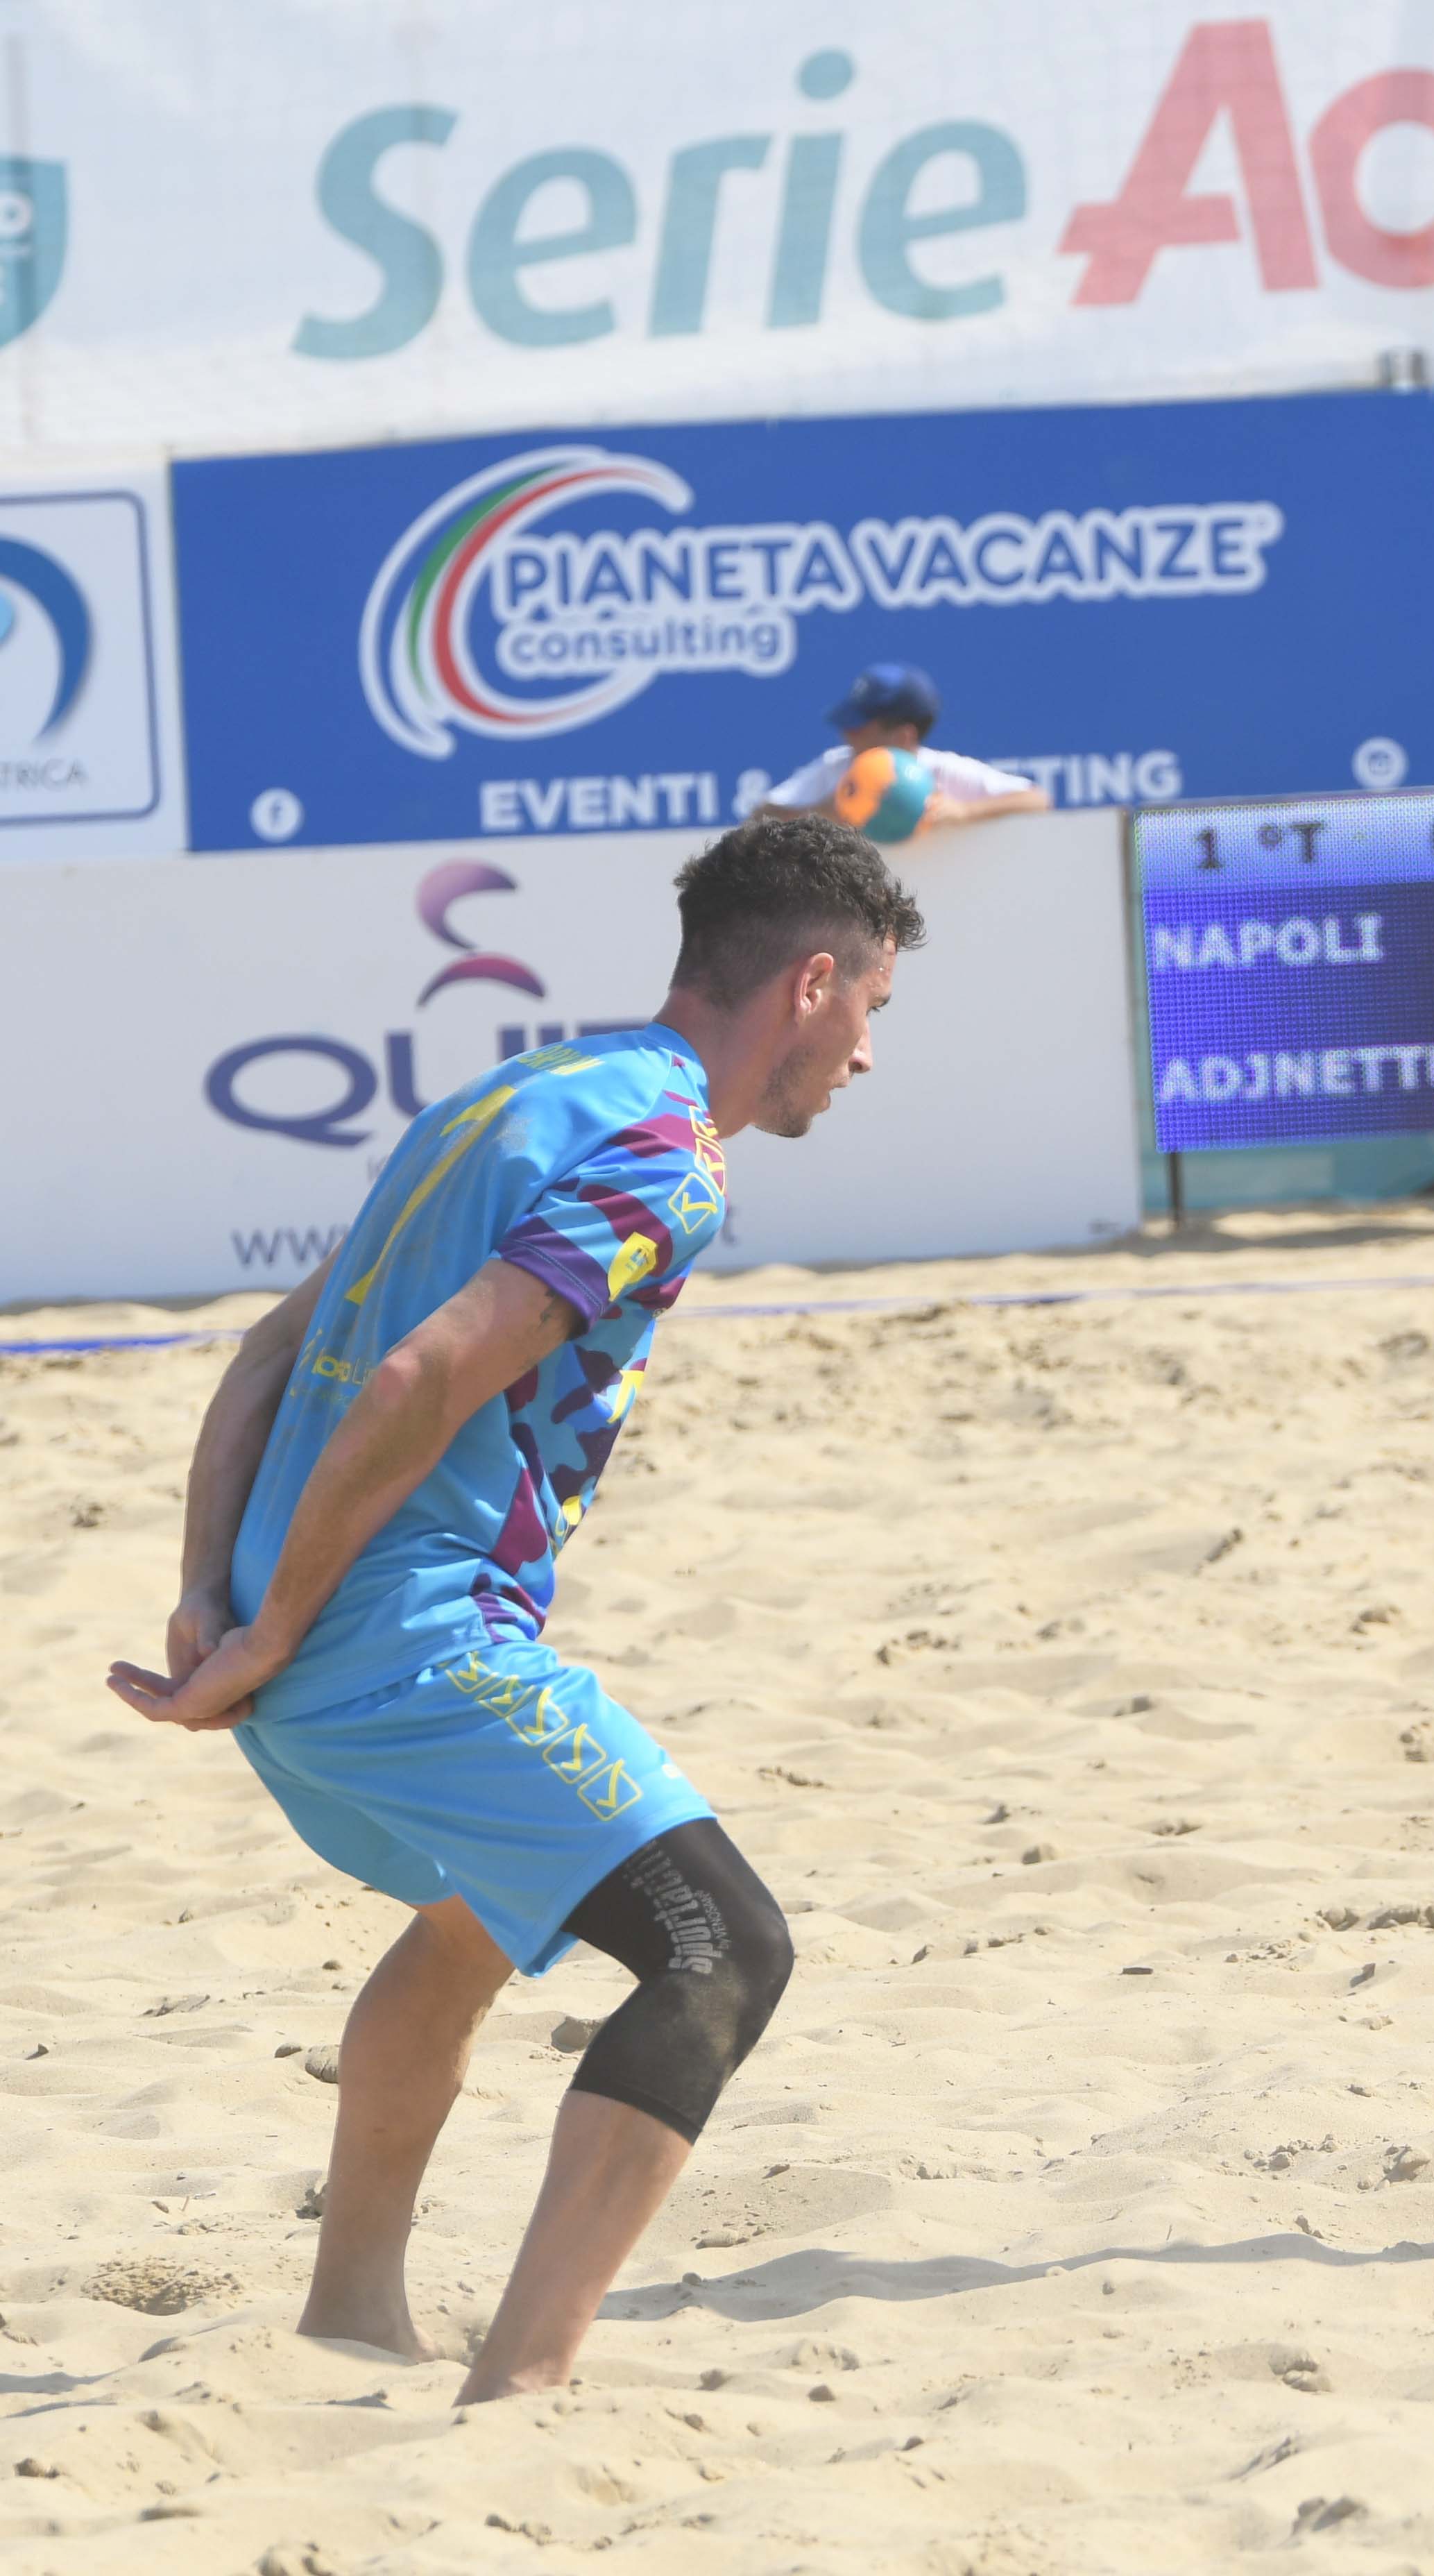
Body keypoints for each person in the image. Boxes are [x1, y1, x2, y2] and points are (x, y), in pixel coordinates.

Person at [107, 813, 925, 2400]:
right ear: (813, 984)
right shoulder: (668, 1154)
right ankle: (525, 2390)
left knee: (473, 1918)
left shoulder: (512, 1092)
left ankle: (353, 2310)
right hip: (396, 1647)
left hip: (302, 1652)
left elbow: (271, 1348)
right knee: (724, 1948)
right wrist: (272, 1624)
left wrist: (215, 1593)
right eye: (873, 1010)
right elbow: (418, 1374)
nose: (868, 1054)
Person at [758, 662, 1050, 836]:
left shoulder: (942, 770)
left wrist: (964, 811)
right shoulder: (836, 767)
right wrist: (824, 812)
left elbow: (1037, 799)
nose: (846, 733)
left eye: (858, 725)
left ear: (903, 735)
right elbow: (759, 818)